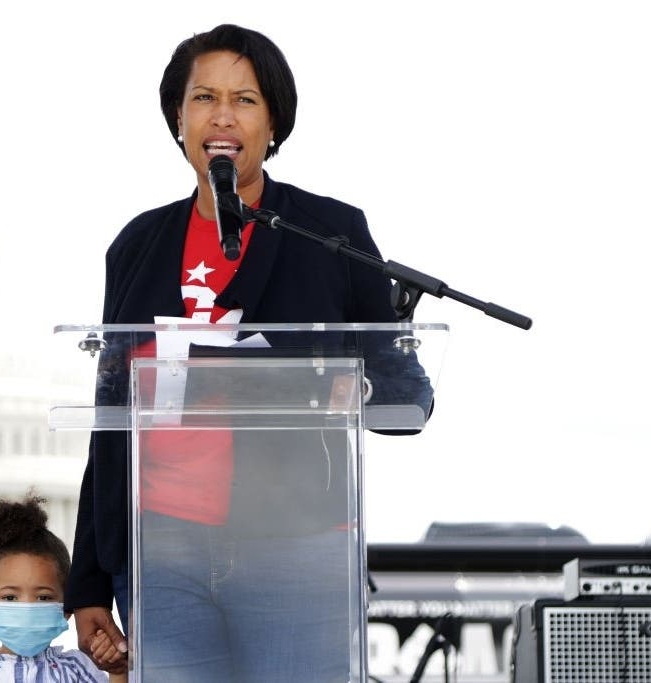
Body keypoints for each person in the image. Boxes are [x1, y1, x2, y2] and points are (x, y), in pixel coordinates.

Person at [65, 23, 433, 682]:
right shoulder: (136, 245)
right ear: (178, 117)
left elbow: (407, 396)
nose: (223, 115)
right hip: (162, 552)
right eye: (203, 97)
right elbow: (108, 418)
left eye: (246, 99)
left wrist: (356, 388)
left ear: (274, 123)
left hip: (295, 549)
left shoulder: (329, 234)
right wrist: (88, 579)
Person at [0, 492, 125, 682]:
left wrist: (117, 669)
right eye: (10, 597)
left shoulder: (78, 669)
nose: (28, 608)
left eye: (43, 597)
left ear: (66, 608)